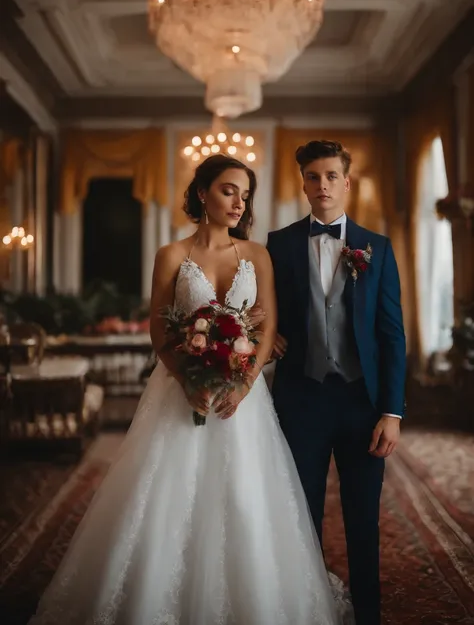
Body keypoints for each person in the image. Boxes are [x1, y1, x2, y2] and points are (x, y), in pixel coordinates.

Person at [28, 154, 353, 625]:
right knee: (165, 496)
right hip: (180, 393)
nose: (239, 202)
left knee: (246, 496)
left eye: (245, 194)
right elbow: (160, 332)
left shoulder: (256, 254)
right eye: (228, 190)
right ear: (202, 193)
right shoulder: (172, 256)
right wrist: (186, 380)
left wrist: (243, 386)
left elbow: (267, 330)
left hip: (244, 397)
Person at [266, 140, 406, 625]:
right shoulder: (278, 244)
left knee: (363, 519)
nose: (321, 185)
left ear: (347, 182)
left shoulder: (378, 248)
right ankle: (305, 612)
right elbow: (258, 306)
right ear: (302, 183)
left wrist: (392, 412)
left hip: (361, 404)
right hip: (299, 399)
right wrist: (268, 334)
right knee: (301, 518)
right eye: (312, 176)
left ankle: (368, 616)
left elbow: (392, 334)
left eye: (330, 176)